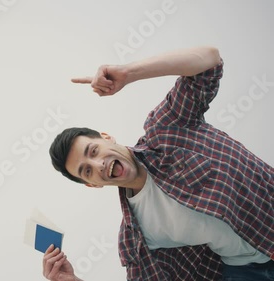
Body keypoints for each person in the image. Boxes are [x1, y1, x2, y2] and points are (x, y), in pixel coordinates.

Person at [43, 46, 274, 281]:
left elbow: (209, 60)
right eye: (87, 170)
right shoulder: (137, 237)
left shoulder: (165, 129)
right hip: (246, 271)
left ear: (106, 137)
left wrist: (128, 72)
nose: (99, 164)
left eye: (93, 151)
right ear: (92, 184)